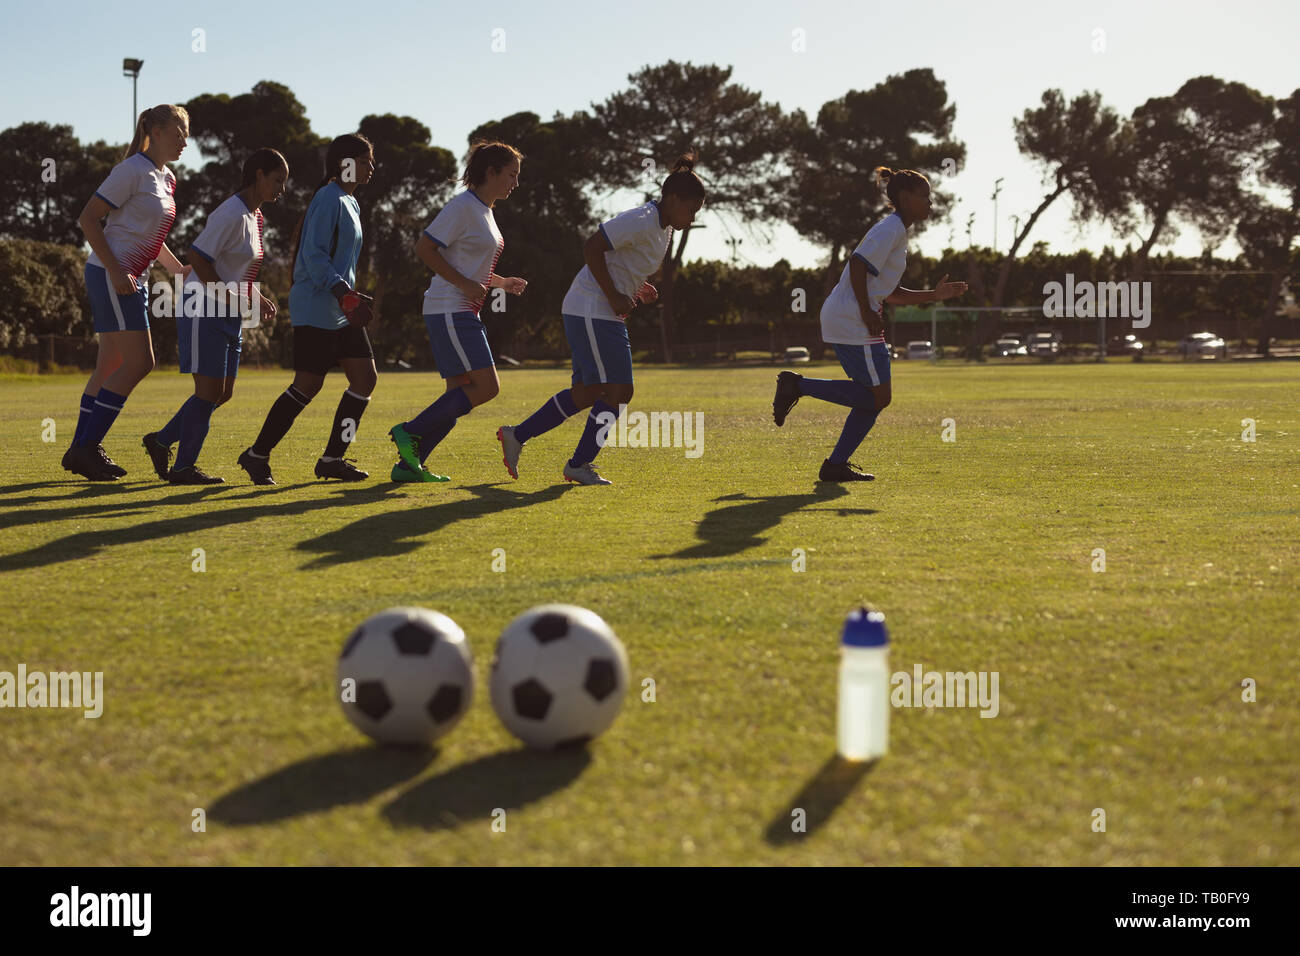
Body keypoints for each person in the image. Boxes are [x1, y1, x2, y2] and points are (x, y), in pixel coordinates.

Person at [495, 154, 705, 485]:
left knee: (588, 392)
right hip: (592, 308)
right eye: (691, 210)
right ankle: (578, 464)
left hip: (597, 312)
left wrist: (639, 286)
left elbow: (621, 261)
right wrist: (613, 295)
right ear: (674, 199)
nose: (692, 219)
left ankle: (517, 435)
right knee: (620, 390)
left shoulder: (663, 230)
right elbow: (592, 247)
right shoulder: (641, 218)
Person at [772, 166, 967, 481]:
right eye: (925, 196)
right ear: (904, 198)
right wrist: (865, 310)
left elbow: (889, 292)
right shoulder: (889, 229)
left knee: (873, 398)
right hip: (853, 319)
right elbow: (858, 265)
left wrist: (934, 294)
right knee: (878, 397)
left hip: (853, 317)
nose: (931, 203)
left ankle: (835, 465)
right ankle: (797, 385)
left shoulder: (897, 232)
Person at [238, 134, 376, 485]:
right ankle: (257, 454)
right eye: (364, 160)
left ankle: (333, 458)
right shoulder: (329, 198)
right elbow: (313, 255)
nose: (370, 167)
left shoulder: (351, 202)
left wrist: (351, 295)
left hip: (341, 305)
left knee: (365, 379)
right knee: (308, 384)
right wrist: (343, 291)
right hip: (317, 303)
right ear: (345, 162)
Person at [62, 104, 190, 481]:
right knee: (140, 363)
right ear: (157, 131)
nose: (186, 141)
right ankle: (87, 450)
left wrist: (177, 268)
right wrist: (118, 271)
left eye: (187, 134)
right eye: (179, 133)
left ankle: (78, 450)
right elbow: (87, 218)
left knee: (110, 366)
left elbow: (153, 234)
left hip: (133, 279)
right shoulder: (131, 170)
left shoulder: (167, 178)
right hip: (112, 275)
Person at [144, 148, 287, 484]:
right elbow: (197, 255)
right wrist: (225, 294)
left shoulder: (256, 217)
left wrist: (258, 297)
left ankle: (161, 440)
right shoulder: (231, 213)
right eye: (277, 180)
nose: (281, 188)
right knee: (207, 392)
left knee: (222, 393)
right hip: (202, 307)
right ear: (259, 176)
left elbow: (243, 272)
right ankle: (183, 468)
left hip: (230, 313)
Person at [387, 141, 528, 483]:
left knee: (458, 393)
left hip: (461, 309)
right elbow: (425, 247)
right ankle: (410, 431)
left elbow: (468, 265)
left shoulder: (484, 211)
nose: (516, 182)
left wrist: (501, 283)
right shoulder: (462, 206)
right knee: (486, 387)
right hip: (450, 309)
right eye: (511, 174)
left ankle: (408, 466)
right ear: (490, 172)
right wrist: (465, 284)